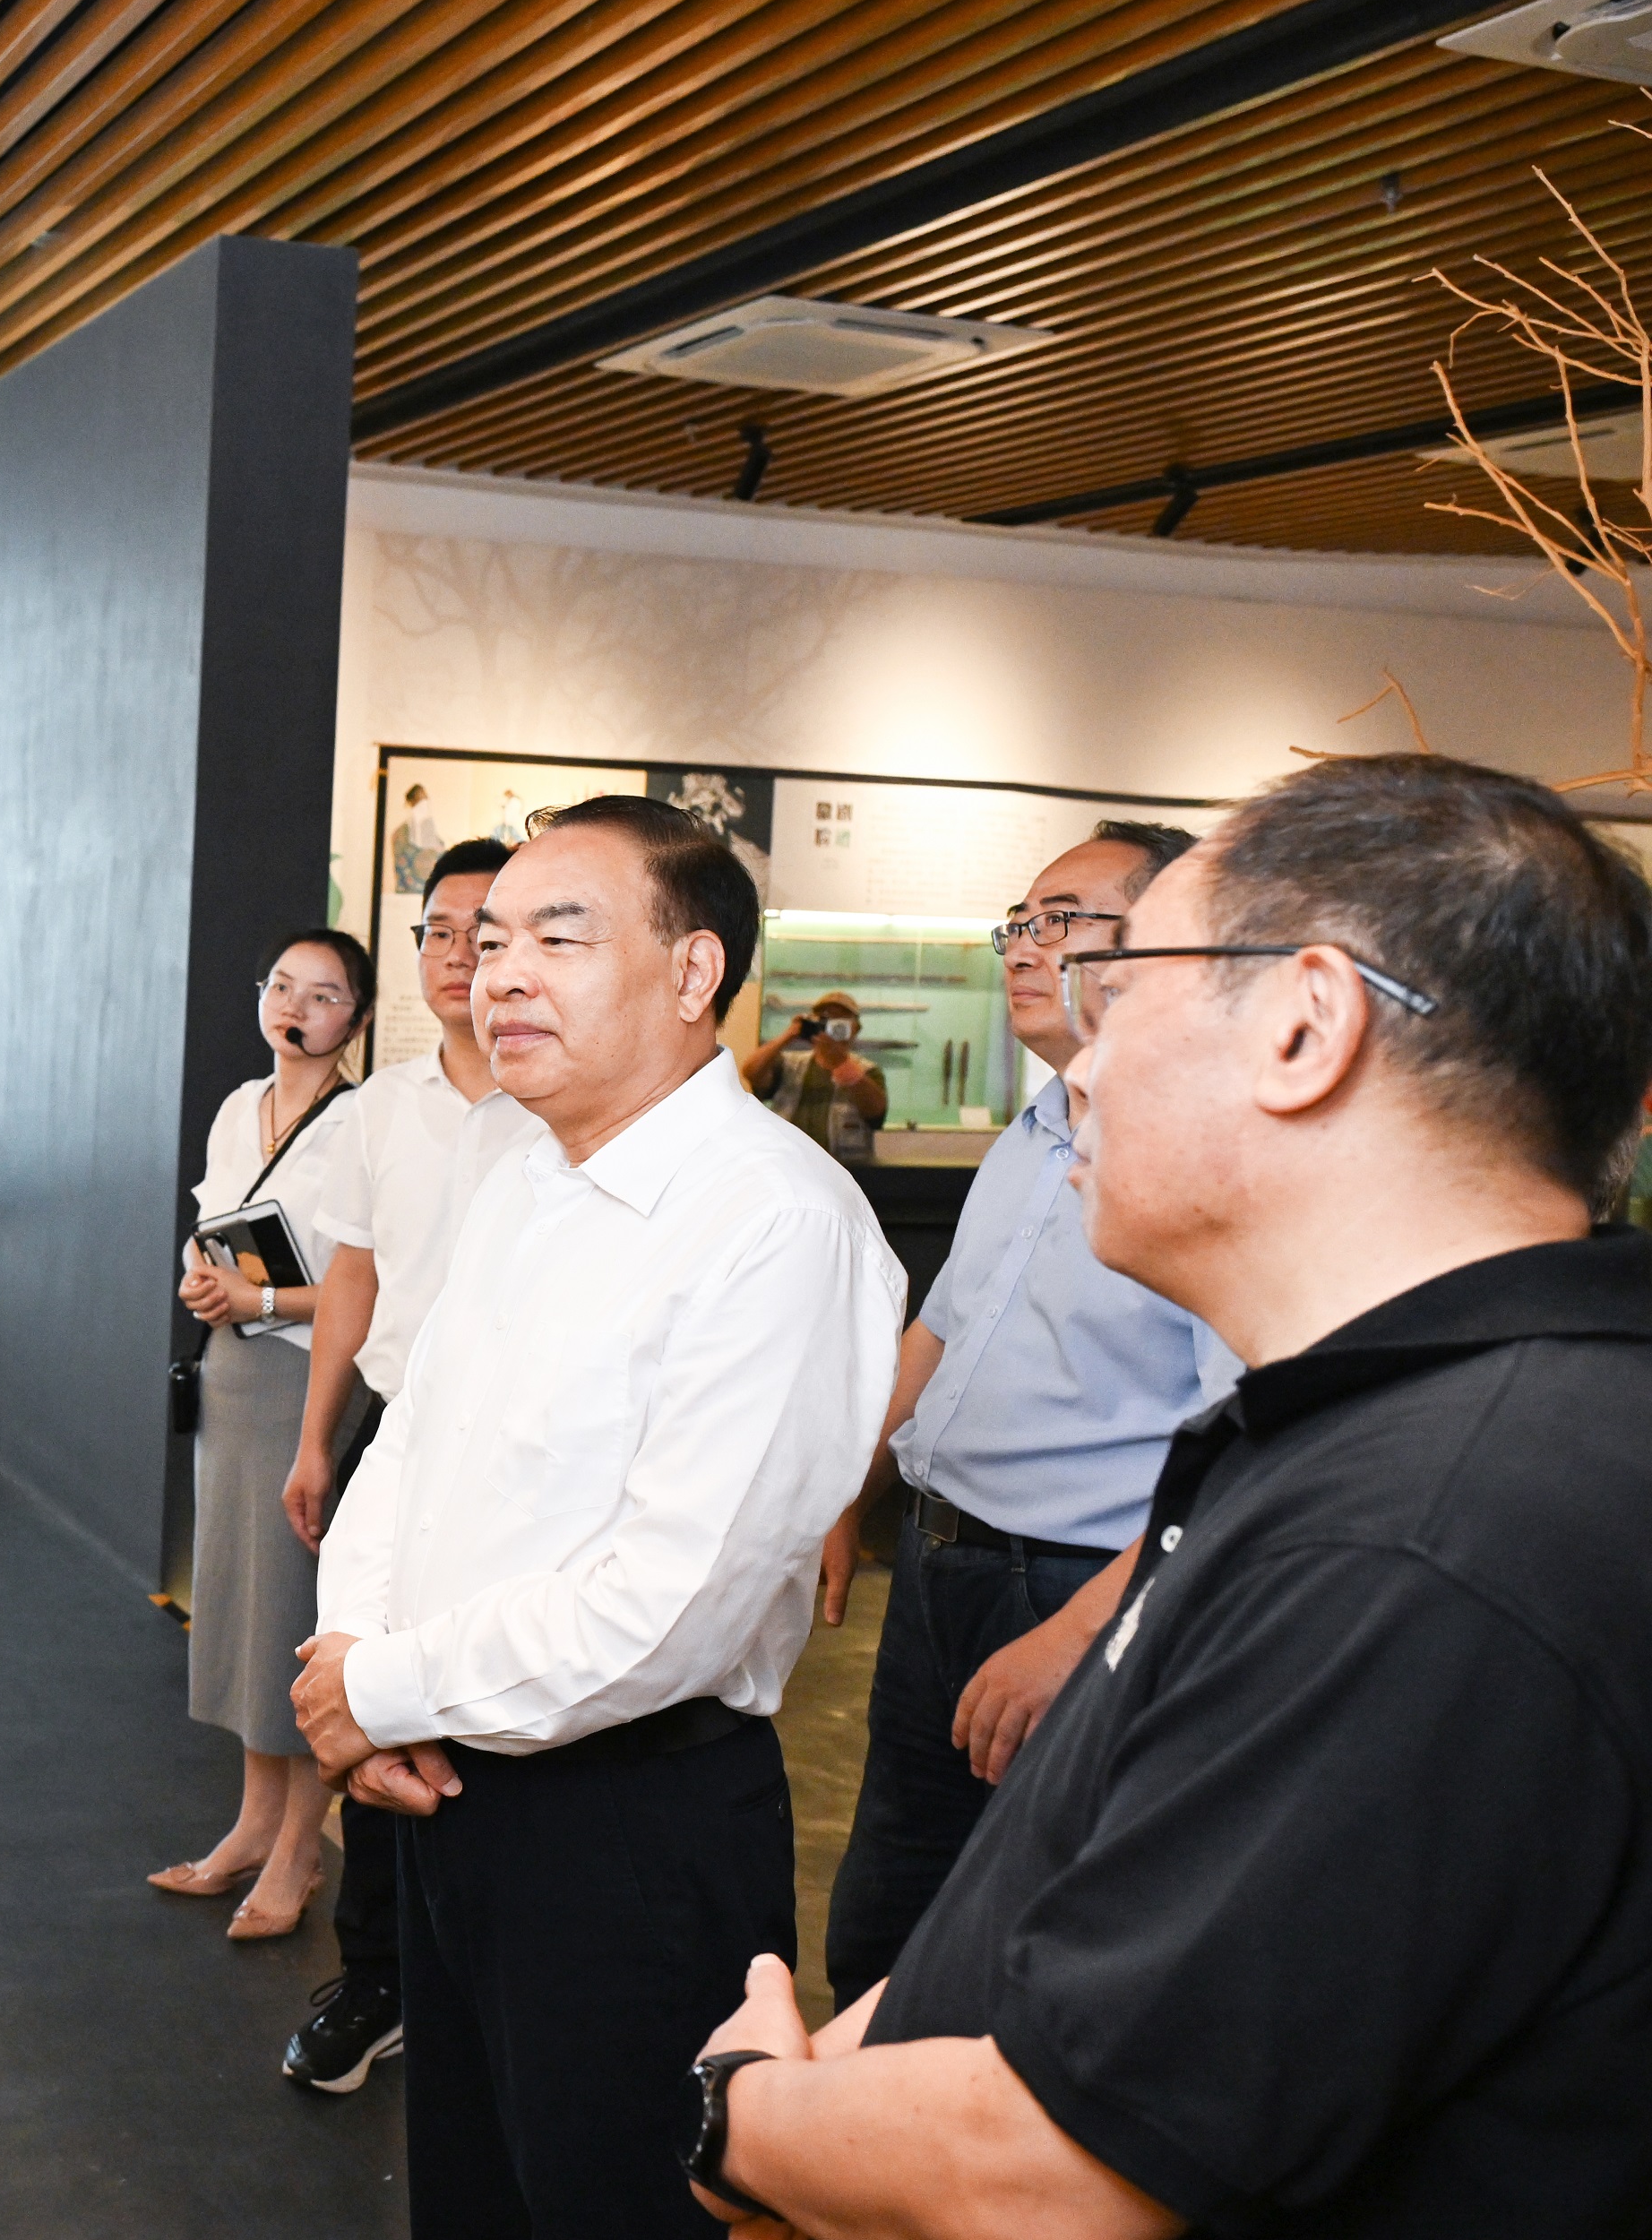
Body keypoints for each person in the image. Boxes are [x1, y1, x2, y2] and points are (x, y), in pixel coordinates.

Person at [681, 754, 1652, 2240]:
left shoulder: (1432, 1534)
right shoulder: (1368, 1429)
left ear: (1306, 1026)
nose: (1085, 1064)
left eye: (1124, 994)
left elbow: (1065, 2162)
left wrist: (744, 2117)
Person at [294, 796, 901, 2238]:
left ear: (694, 971)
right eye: (490, 938)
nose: (498, 972)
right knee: (472, 2197)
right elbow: (411, 1442)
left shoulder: (777, 1218)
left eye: (556, 938)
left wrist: (378, 1687)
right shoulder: (524, 1174)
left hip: (627, 1829)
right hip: (445, 1786)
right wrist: (357, 1661)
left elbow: (673, 1599)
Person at [817, 823, 1239, 2005]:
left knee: (1038, 1932)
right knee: (892, 1906)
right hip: (940, 1567)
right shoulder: (1035, 1128)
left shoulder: (1206, 1147)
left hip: (1077, 1587)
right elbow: (938, 1335)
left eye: (1061, 919)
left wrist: (1083, 1633)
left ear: (1168, 941)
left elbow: (1247, 1442)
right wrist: (843, 1499)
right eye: (1017, 920)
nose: (1022, 944)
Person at [273, 840, 538, 2092]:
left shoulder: (560, 1107)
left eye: (487, 929)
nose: (457, 952)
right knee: (369, 1689)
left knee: (493, 1701)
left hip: (518, 1448)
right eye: (438, 929)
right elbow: (352, 1280)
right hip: (391, 1430)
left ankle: (482, 1974)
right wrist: (316, 1437)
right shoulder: (380, 1106)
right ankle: (376, 1974)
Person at [152, 929, 370, 1942]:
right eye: (281, 984)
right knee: (237, 1601)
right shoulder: (241, 1104)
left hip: (309, 1380)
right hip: (232, 1370)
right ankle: (250, 1823)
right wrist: (204, 1283)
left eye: (323, 994)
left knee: (292, 1604)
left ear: (355, 1018)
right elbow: (209, 1225)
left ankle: (300, 1846)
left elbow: (369, 1282)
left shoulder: (363, 1122)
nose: (295, 1006)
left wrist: (261, 1298)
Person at [744, 991, 887, 1162]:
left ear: (855, 1029)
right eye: (825, 1019)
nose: (832, 1026)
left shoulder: (867, 1071)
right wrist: (789, 1034)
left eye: (841, 1020)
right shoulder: (789, 1064)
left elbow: (876, 1113)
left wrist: (843, 1064)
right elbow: (751, 1072)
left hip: (845, 1168)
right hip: (790, 1164)